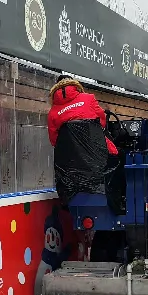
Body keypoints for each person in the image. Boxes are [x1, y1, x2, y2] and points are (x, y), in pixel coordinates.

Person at [47, 75, 119, 206]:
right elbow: (101, 121)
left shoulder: (53, 112)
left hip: (71, 167)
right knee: (119, 156)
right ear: (75, 85)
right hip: (98, 160)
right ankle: (119, 200)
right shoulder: (88, 98)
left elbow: (54, 141)